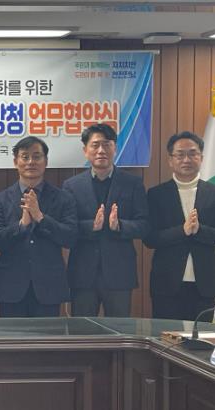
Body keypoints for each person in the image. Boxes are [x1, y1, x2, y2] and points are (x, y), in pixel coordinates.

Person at [63, 123, 148, 318]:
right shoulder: (72, 186)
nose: (101, 150)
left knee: (119, 329)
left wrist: (120, 226)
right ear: (85, 151)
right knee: (82, 330)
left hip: (119, 273)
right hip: (83, 273)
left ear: (115, 148)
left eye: (107, 144)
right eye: (95, 145)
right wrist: (91, 226)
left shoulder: (133, 183)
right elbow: (67, 227)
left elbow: (144, 225)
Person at [0, 136, 77, 317]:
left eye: (37, 157)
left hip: (49, 286)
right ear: (16, 162)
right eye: (25, 157)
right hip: (10, 286)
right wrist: (21, 226)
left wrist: (41, 218)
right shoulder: (0, 200)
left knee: (47, 336)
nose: (31, 162)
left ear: (46, 162)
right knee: (10, 336)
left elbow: (70, 238)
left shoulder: (63, 198)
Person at [145, 131, 215, 322]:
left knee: (201, 337)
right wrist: (182, 231)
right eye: (180, 154)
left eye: (193, 153)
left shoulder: (214, 193)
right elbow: (150, 238)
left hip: (205, 283)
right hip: (166, 283)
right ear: (170, 160)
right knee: (165, 336)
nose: (186, 159)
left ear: (201, 158)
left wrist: (199, 230)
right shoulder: (156, 194)